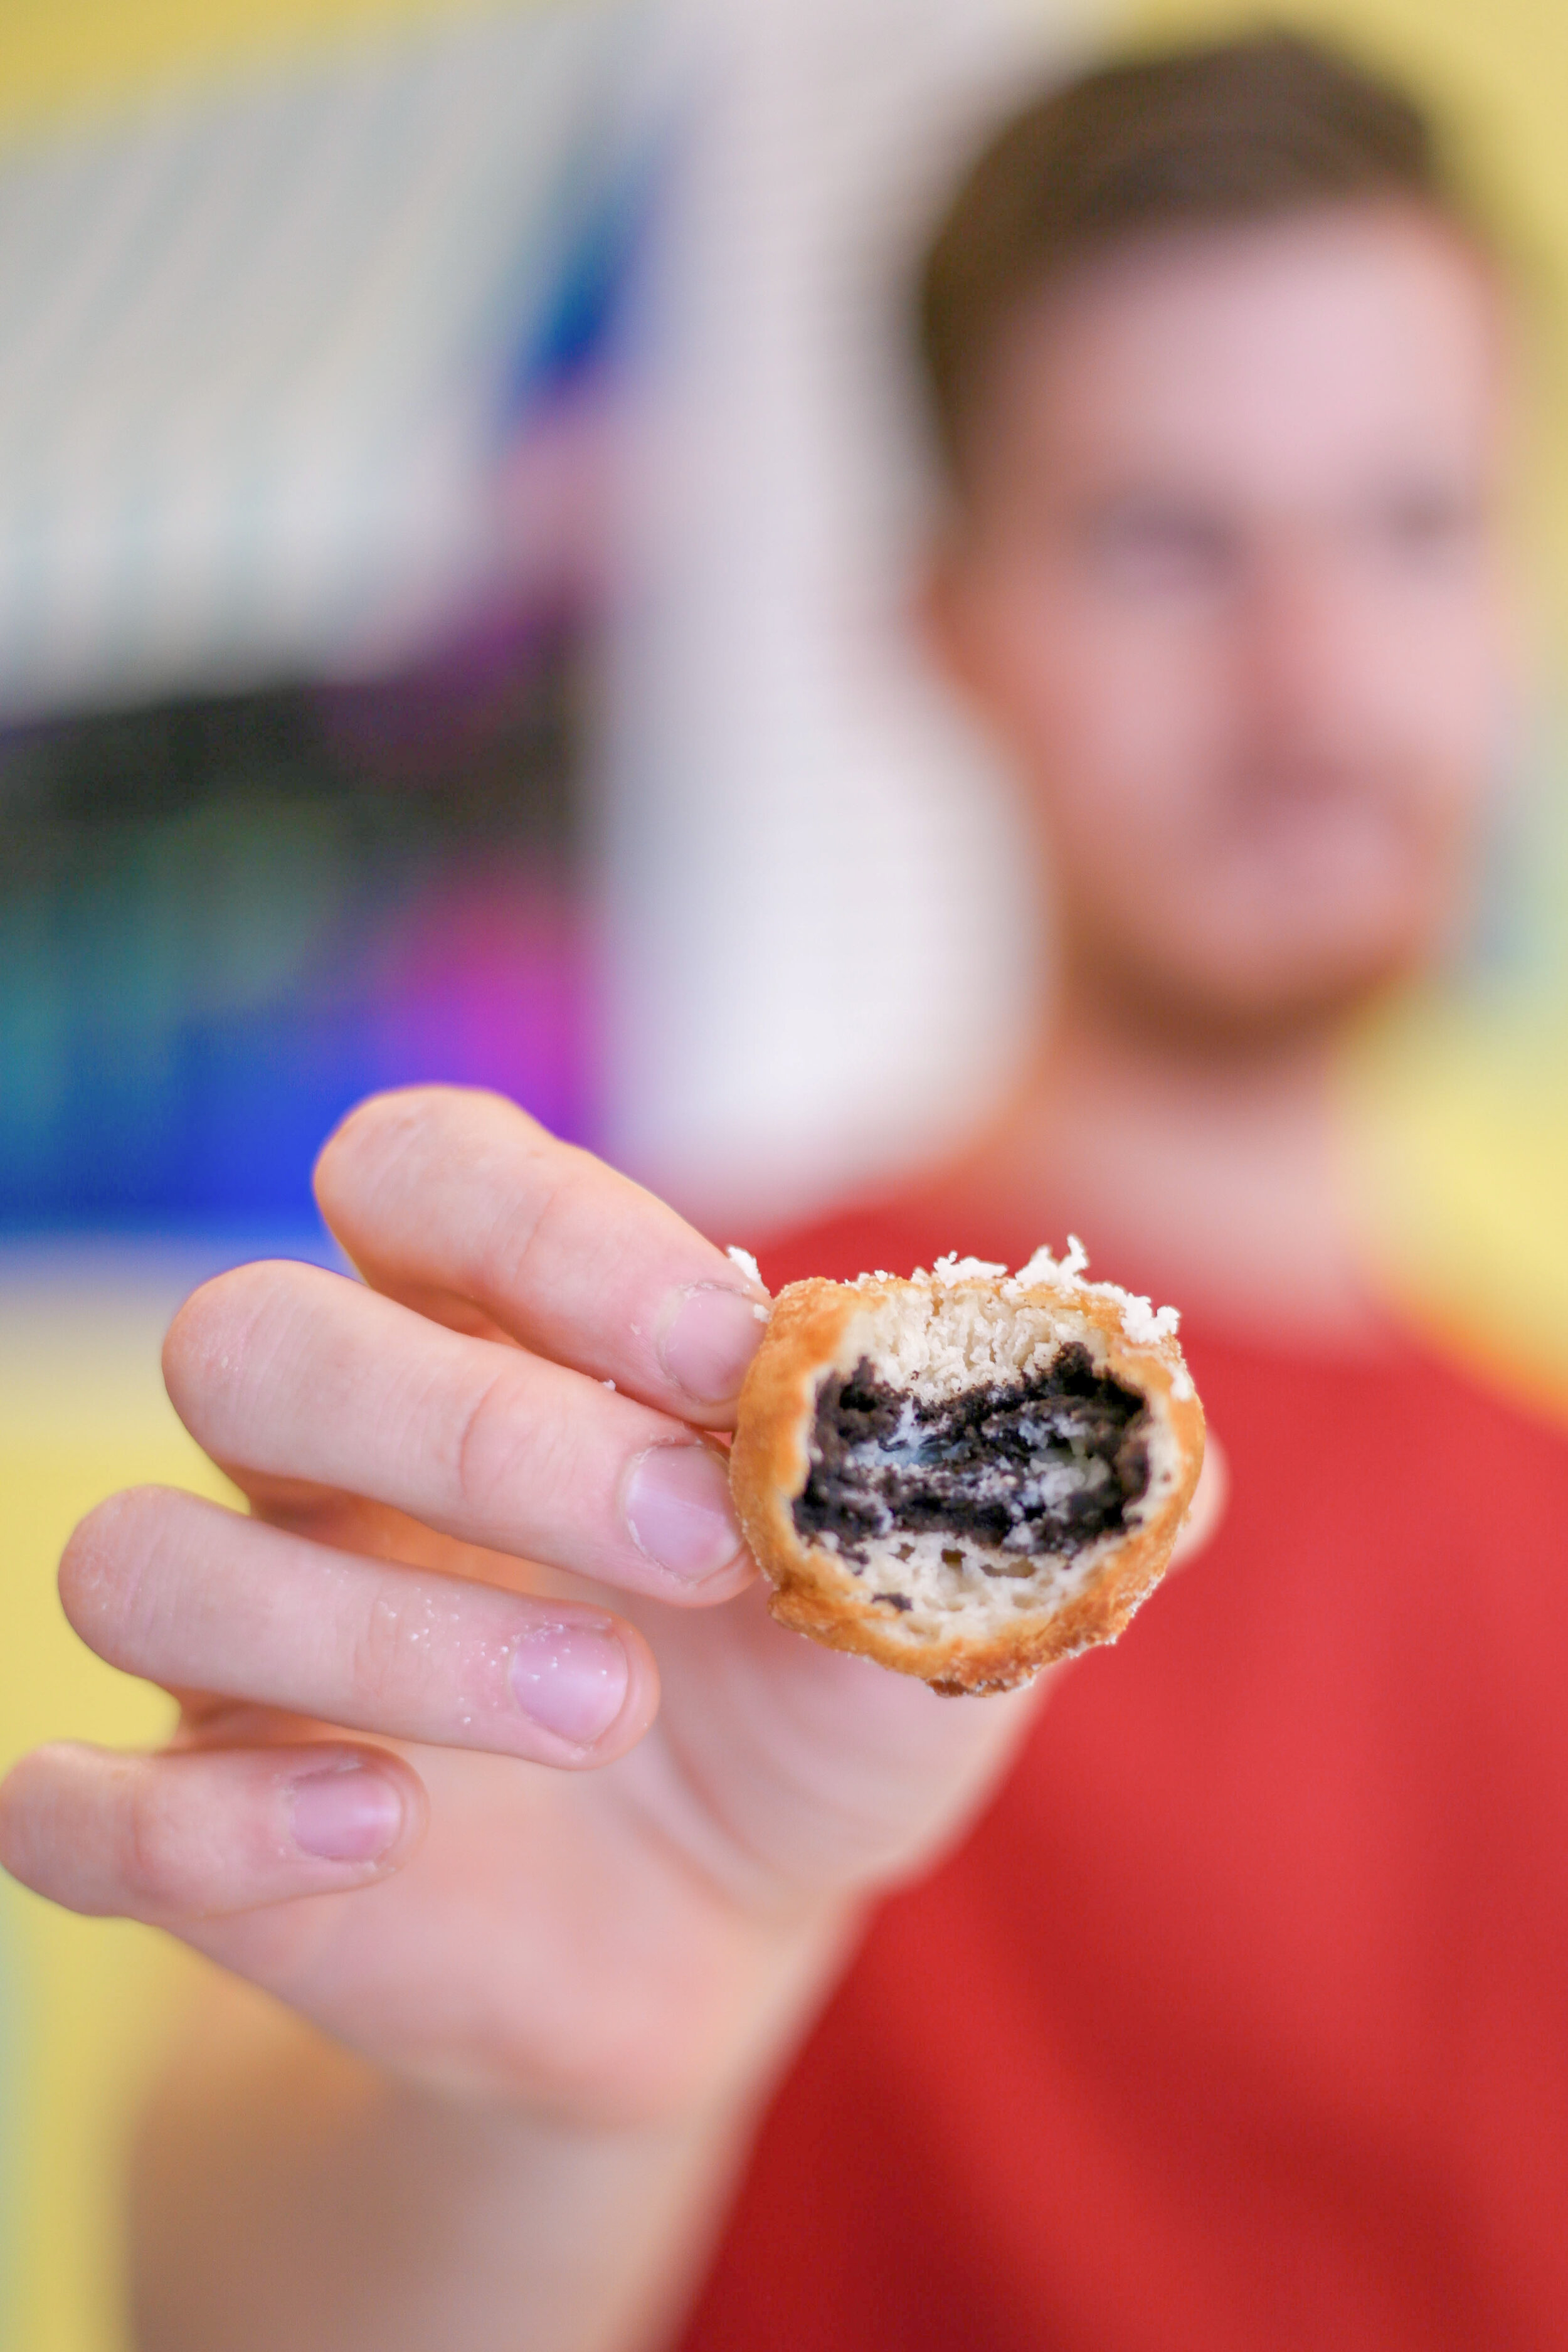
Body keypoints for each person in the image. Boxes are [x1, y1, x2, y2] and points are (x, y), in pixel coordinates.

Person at [4, 29, 1567, 2351]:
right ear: (949, 626)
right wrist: (542, 2108)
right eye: (1166, 539)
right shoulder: (633, 1410)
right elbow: (231, 2304)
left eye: (1408, 525)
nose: (1309, 671)